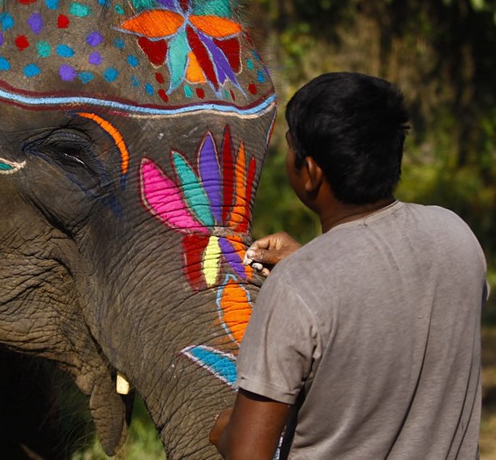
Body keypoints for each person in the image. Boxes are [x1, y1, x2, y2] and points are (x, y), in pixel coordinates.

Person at [209, 72, 487, 459]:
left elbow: (247, 452)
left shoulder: (295, 287)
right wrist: (310, 262)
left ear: (311, 173)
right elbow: (397, 298)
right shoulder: (456, 235)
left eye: (290, 147)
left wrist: (225, 432)